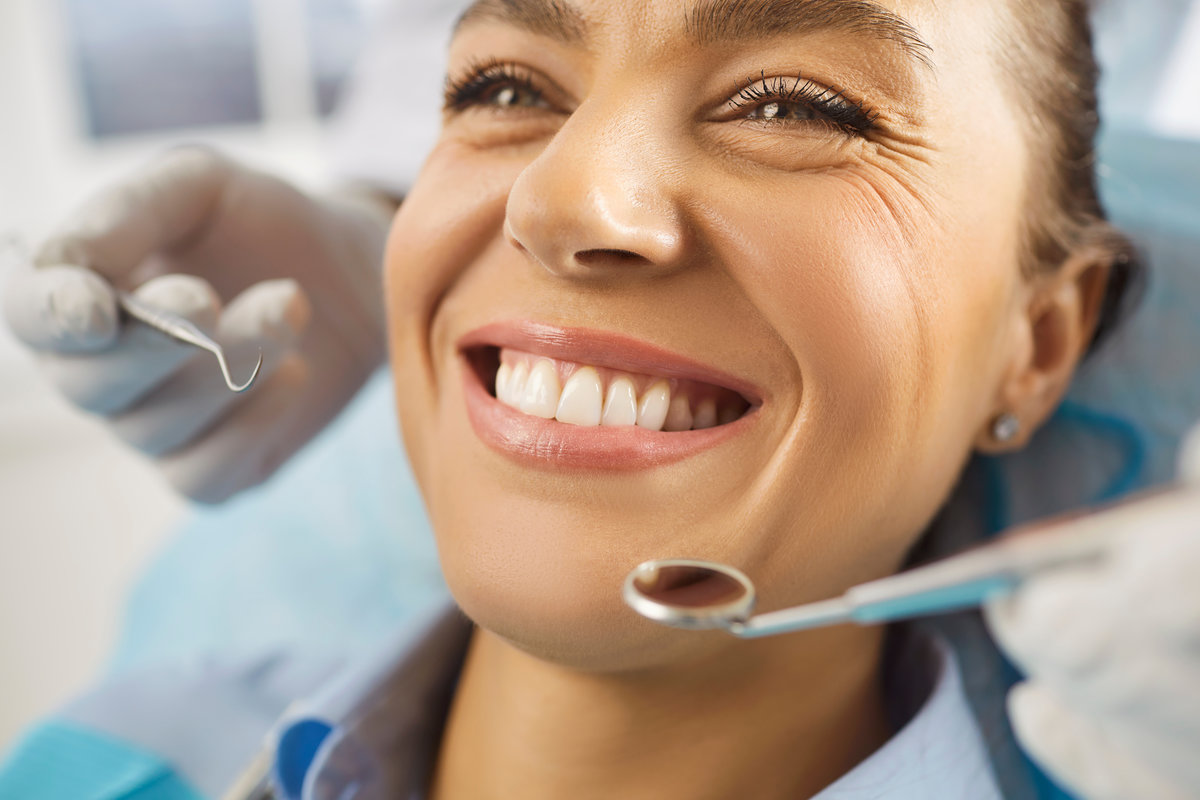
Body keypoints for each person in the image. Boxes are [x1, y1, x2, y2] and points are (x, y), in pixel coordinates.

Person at [3, 1, 1200, 799]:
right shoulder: (106, 758)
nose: (559, 199)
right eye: (506, 86)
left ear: (1037, 341)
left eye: (793, 106)